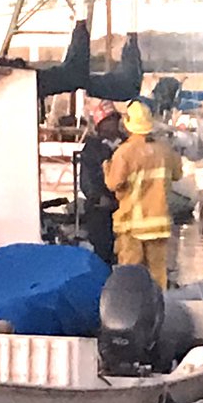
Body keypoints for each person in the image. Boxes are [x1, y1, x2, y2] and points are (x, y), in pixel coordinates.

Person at [103, 100, 183, 289]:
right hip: (159, 225)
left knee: (130, 279)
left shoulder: (124, 152)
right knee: (157, 277)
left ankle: (134, 315)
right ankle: (158, 311)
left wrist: (106, 167)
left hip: (132, 226)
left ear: (128, 124)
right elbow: (178, 175)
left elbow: (113, 184)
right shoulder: (165, 150)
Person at [79, 99, 125, 265]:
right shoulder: (92, 148)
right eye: (108, 120)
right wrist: (98, 199)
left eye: (114, 119)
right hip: (101, 211)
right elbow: (86, 180)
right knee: (102, 251)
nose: (112, 124)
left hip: (126, 208)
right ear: (99, 124)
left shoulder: (128, 144)